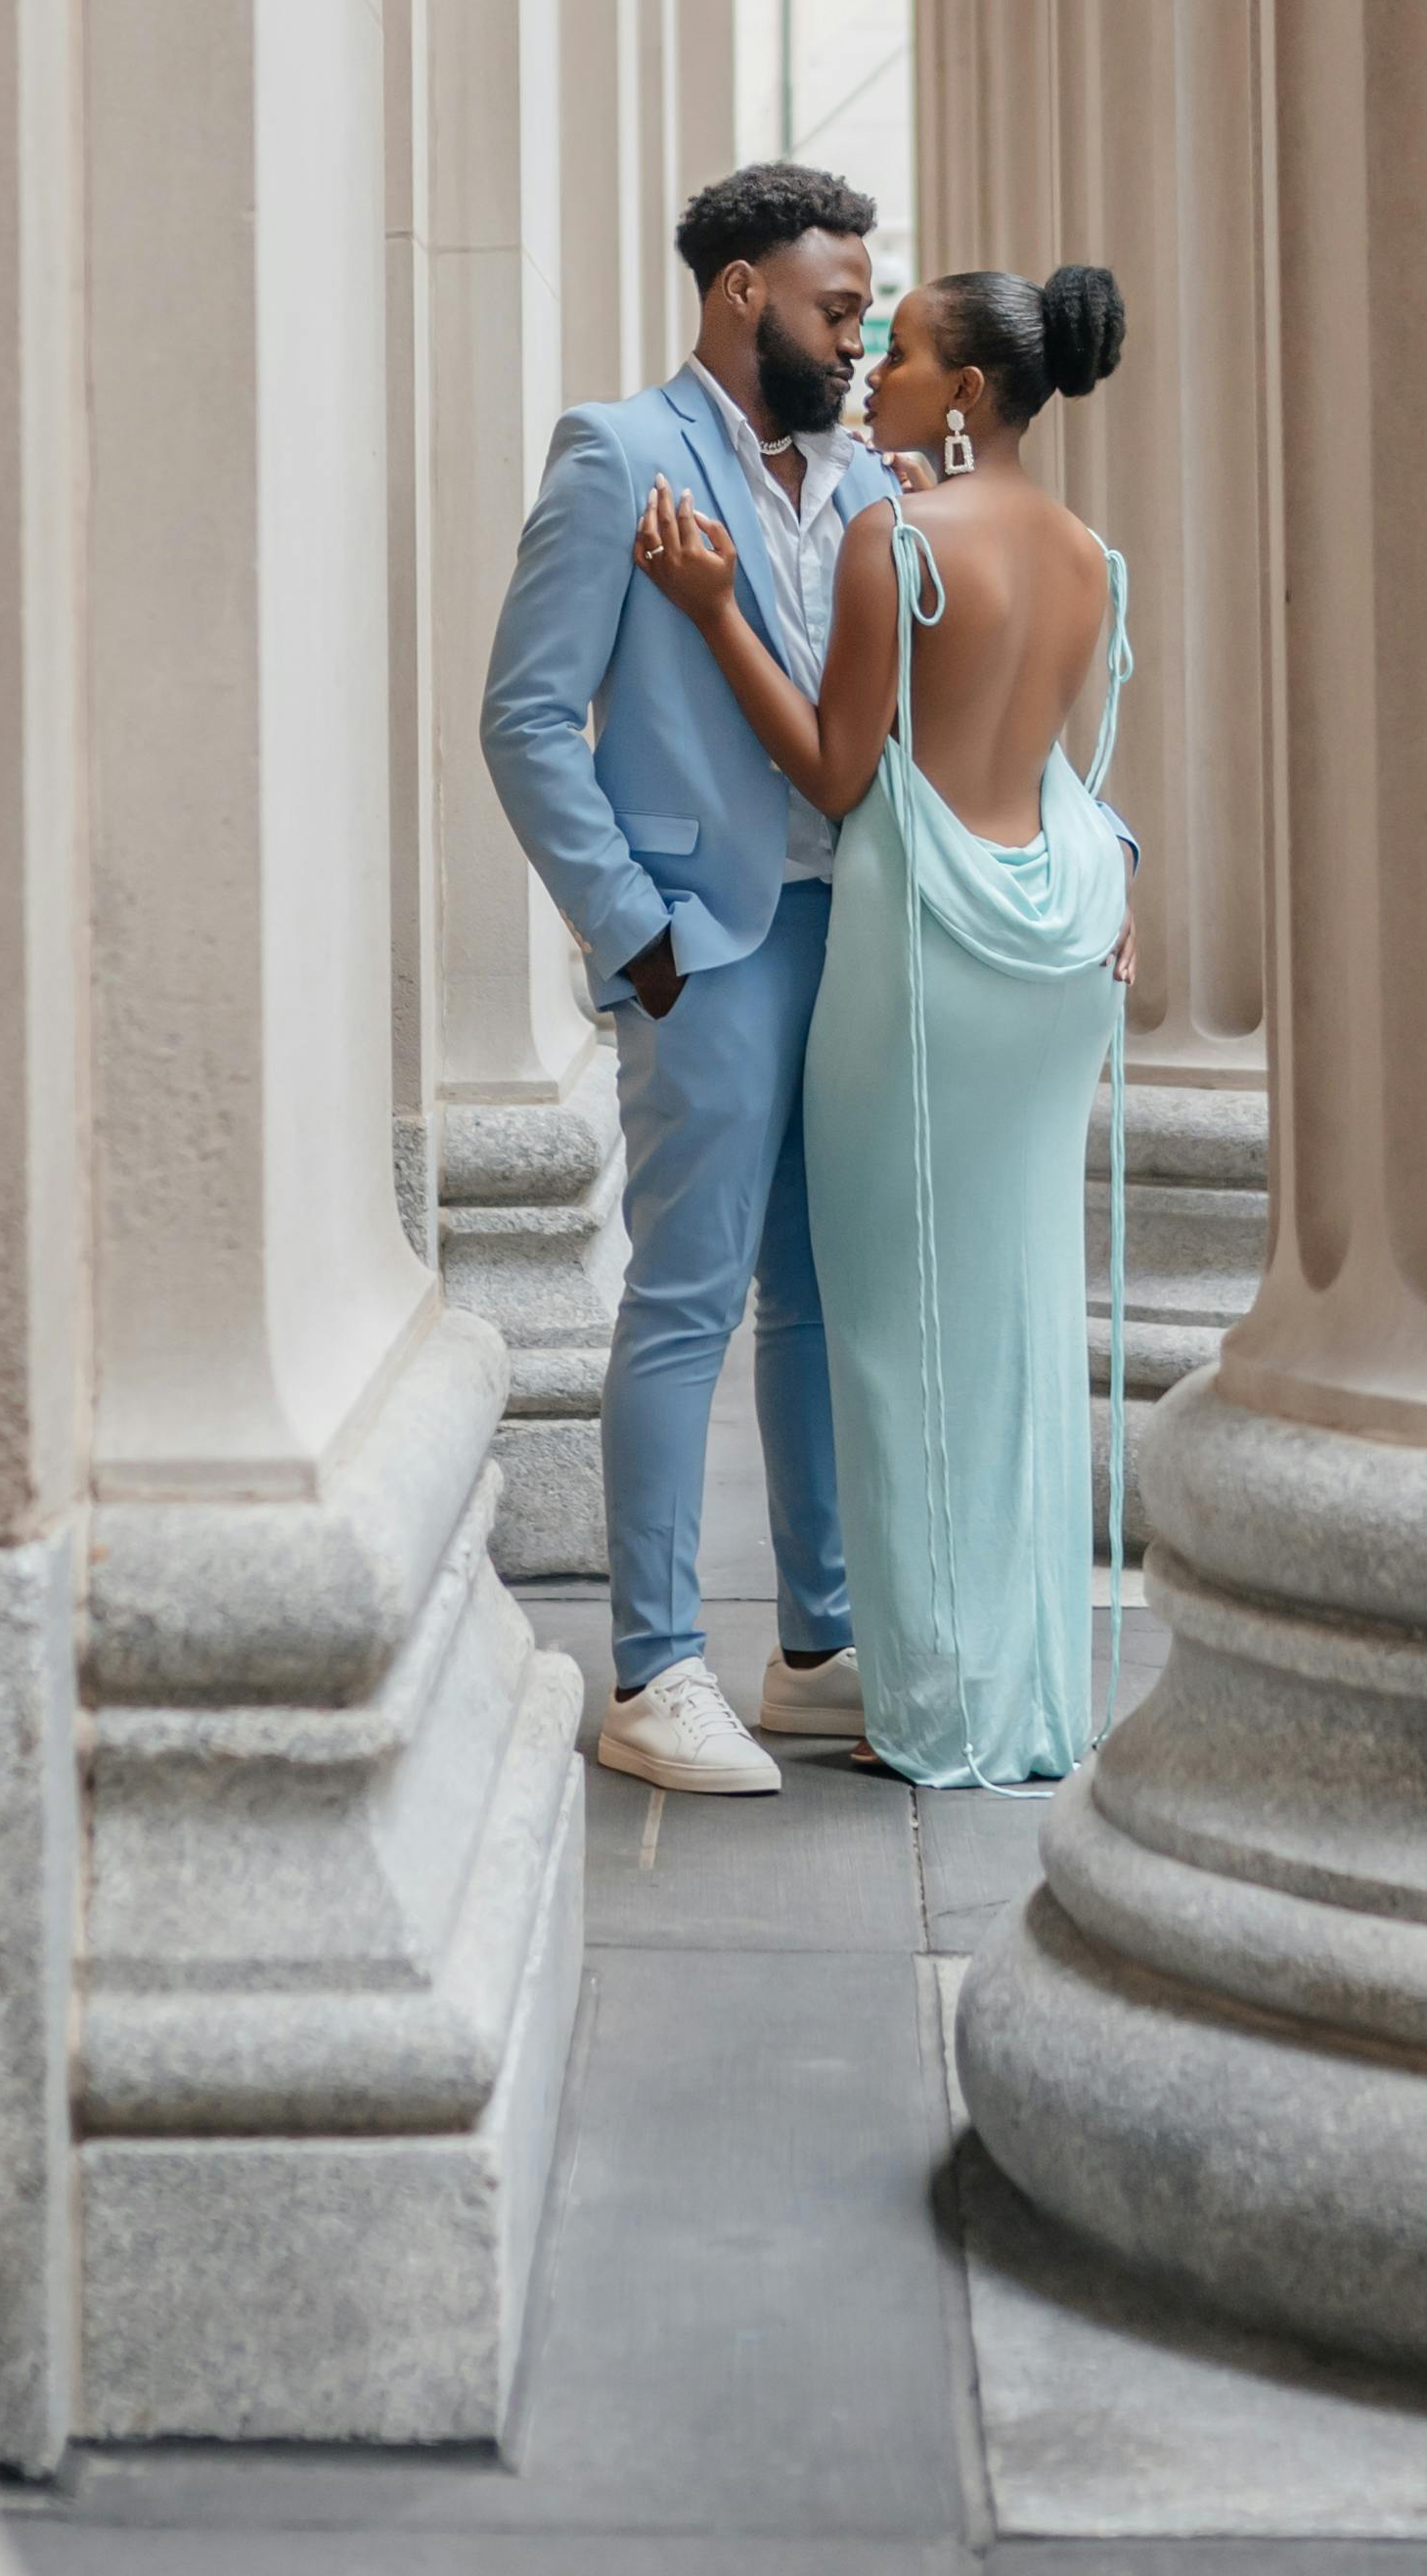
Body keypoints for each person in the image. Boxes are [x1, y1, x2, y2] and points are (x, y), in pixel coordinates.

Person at [633, 260, 1135, 1785]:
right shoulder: (1088, 555)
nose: (874, 374)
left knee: (895, 1330)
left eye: (903, 351)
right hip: (1043, 962)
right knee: (1016, 1314)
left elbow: (837, 770)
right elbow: (1050, 761)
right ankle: (1022, 1691)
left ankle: (931, 1704)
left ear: (967, 391)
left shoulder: (895, 537)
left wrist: (716, 610)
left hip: (918, 951)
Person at [477, 163, 898, 1791]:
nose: (854, 337)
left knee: (813, 1295)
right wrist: (631, 929)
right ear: (741, 292)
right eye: (835, 307)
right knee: (685, 1299)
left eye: (863, 311)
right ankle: (653, 1674)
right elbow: (527, 715)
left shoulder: (859, 478)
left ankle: (815, 1645)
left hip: (844, 930)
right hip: (703, 944)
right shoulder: (617, 451)